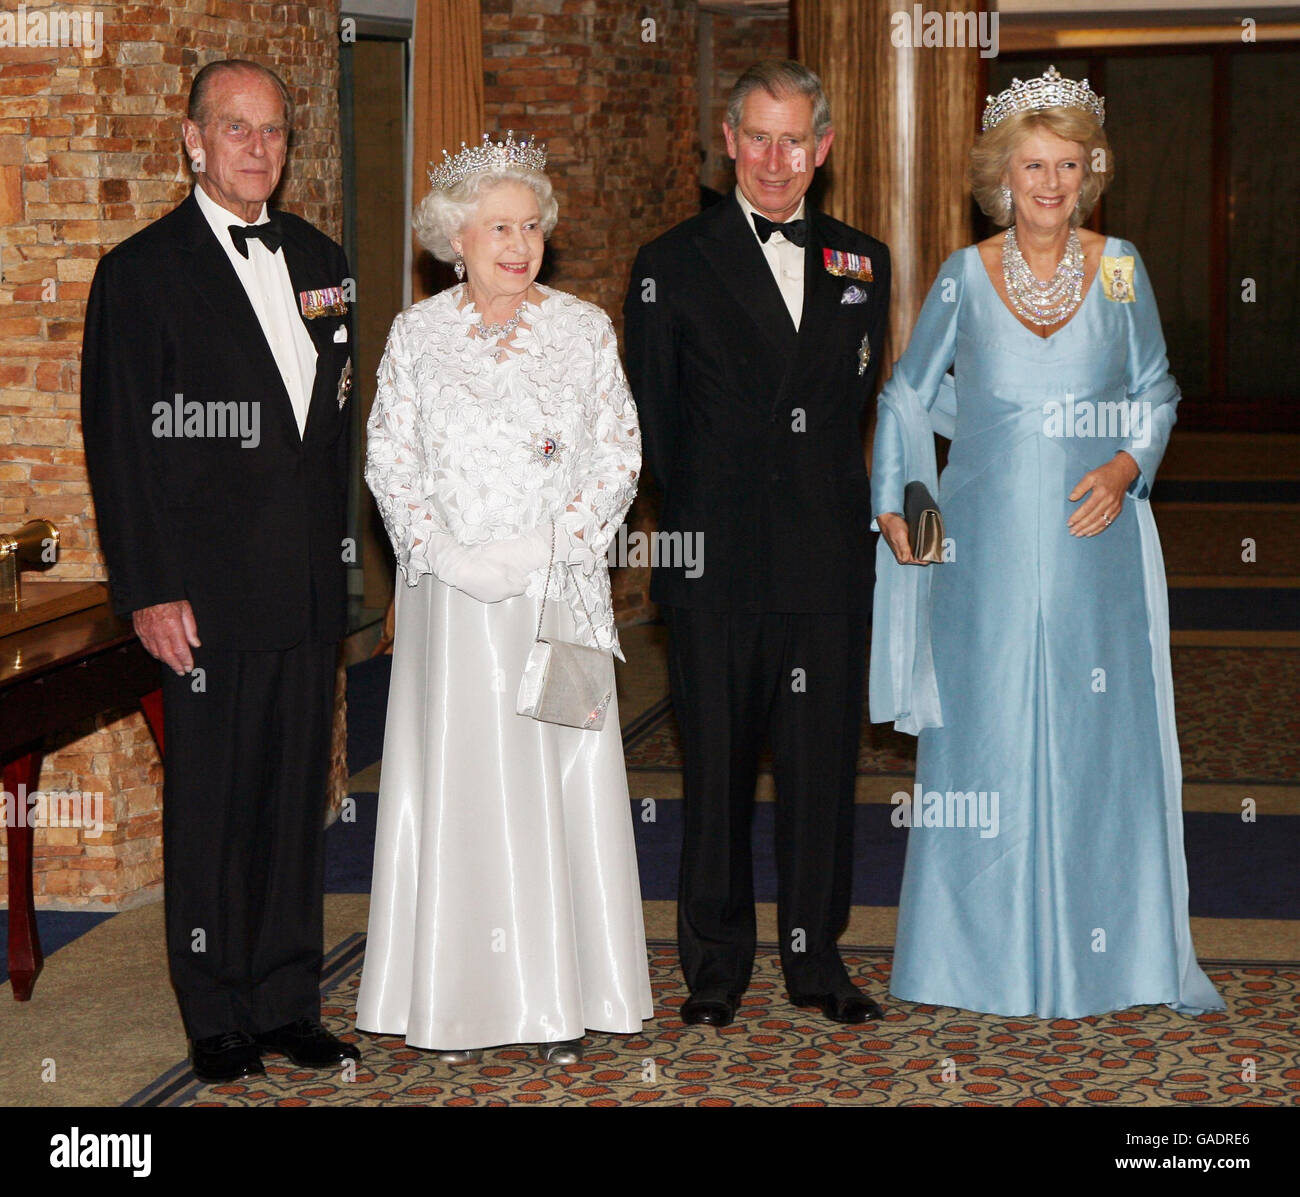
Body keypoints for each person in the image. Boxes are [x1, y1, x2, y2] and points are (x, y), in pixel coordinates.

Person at [870, 67, 1224, 1018]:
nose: (1051, 184)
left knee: (1094, 733)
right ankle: (970, 959)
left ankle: (1107, 953)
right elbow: (906, 394)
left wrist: (1124, 468)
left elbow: (1154, 389)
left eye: (1068, 164)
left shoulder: (1119, 266)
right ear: (1003, 173)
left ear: (1089, 171)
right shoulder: (963, 274)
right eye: (1034, 164)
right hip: (980, 545)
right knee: (983, 733)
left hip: (1092, 544)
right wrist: (905, 500)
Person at [81, 60, 361, 1081]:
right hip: (198, 595)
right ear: (191, 140)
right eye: (235, 128)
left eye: (274, 130)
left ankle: (288, 998)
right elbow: (120, 443)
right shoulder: (141, 271)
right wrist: (148, 588)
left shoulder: (325, 260)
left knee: (294, 802)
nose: (258, 146)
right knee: (213, 807)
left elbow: (327, 438)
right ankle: (217, 1013)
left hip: (304, 588)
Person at [356, 132, 652, 1064]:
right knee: (461, 787)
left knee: (555, 780)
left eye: (530, 226)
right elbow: (387, 458)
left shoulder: (583, 328)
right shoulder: (418, 333)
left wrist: (545, 545)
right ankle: (456, 995)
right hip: (452, 603)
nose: (517, 245)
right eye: (497, 228)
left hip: (555, 597)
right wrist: (443, 553)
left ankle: (559, 996)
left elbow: (620, 454)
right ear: (455, 237)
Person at [623, 60, 891, 1028]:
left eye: (796, 140)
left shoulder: (864, 262)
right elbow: (652, 426)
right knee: (718, 772)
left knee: (822, 775)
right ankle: (714, 968)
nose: (776, 160)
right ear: (728, 143)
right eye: (758, 137)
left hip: (823, 560)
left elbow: (854, 405)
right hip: (717, 560)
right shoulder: (669, 263)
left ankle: (819, 964)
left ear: (821, 149)